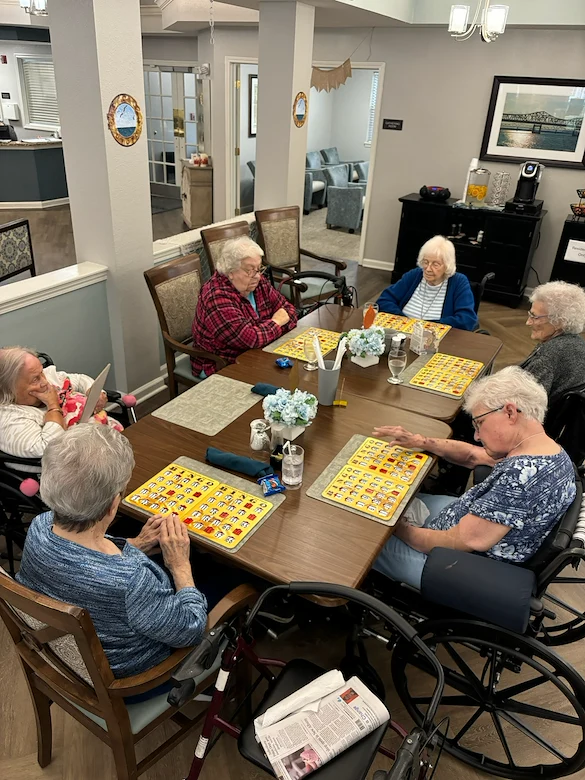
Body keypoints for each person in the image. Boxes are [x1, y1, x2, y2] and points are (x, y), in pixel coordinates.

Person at [17, 425, 208, 679]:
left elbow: (83, 556)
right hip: (132, 678)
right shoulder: (132, 582)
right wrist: (180, 565)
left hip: (61, 658)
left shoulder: (40, 526)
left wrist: (134, 545)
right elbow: (191, 630)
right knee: (226, 578)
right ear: (113, 505)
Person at [372, 366, 576, 590]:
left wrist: (396, 526)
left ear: (509, 412)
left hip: (455, 565)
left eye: (479, 423)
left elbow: (456, 541)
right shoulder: (548, 451)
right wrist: (421, 441)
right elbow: (472, 455)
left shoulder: (520, 479)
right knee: (400, 500)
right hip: (466, 524)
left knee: (364, 538)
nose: (477, 435)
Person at [191, 236, 297, 377]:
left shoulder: (257, 282)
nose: (257, 276)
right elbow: (251, 339)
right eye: (249, 270)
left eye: (259, 269)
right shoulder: (216, 297)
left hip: (257, 353)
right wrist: (277, 322)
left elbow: (289, 311)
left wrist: (263, 332)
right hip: (221, 363)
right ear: (230, 272)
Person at [0, 346, 118, 463]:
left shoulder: (48, 377)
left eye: (41, 372)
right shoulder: (9, 419)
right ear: (8, 389)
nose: (45, 382)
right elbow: (50, 449)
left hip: (103, 437)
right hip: (74, 466)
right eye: (35, 379)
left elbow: (79, 379)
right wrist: (53, 406)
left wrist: (93, 391)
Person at [376, 235, 477, 331]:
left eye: (435, 264)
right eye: (426, 262)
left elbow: (467, 320)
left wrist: (428, 327)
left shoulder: (458, 282)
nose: (428, 269)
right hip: (401, 333)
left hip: (437, 340)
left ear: (447, 265)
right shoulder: (415, 275)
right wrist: (404, 321)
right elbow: (384, 300)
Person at [520, 280, 585, 404]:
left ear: (559, 322)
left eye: (534, 317)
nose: (528, 322)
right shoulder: (578, 343)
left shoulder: (549, 355)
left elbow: (523, 404)